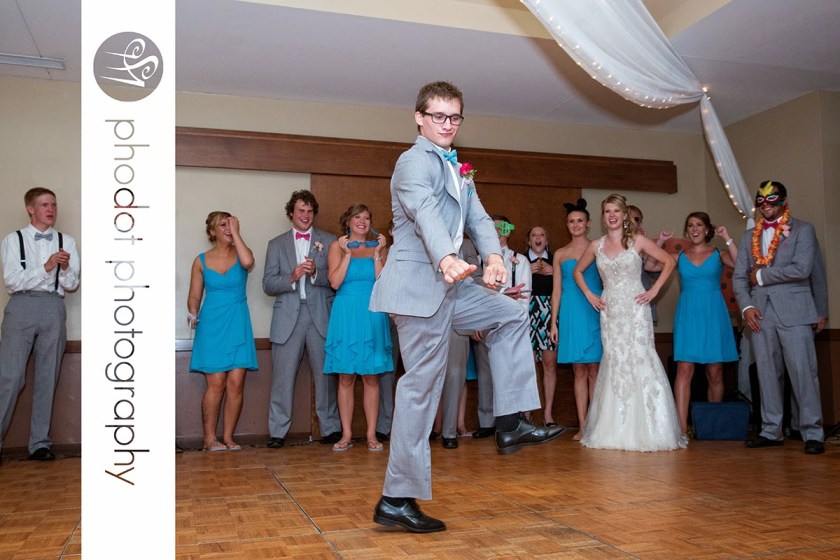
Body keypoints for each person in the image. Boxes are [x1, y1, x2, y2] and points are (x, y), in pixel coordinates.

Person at [369, 81, 565, 533]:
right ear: (419, 118)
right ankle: (396, 498)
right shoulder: (412, 161)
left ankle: (510, 422)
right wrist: (446, 258)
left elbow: (478, 217)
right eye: (438, 116)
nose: (447, 124)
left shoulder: (459, 167)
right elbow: (425, 214)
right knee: (421, 389)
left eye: (454, 117)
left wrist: (494, 256)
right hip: (419, 290)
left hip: (452, 287)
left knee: (510, 313)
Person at [573, 193, 685, 451]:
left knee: (640, 358)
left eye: (616, 211)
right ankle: (615, 430)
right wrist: (589, 293)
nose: (612, 215)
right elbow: (578, 271)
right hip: (610, 311)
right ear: (603, 217)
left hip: (635, 310)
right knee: (615, 361)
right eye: (607, 211)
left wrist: (654, 290)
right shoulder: (596, 246)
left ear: (624, 215)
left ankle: (650, 429)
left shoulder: (638, 241)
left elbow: (668, 261)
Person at [733, 181, 825, 455]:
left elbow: (804, 269)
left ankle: (812, 432)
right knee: (766, 373)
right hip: (760, 314)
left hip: (795, 311)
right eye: (761, 200)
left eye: (771, 199)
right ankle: (771, 430)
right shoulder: (748, 236)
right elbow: (740, 278)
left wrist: (761, 275)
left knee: (803, 372)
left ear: (784, 201)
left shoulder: (803, 230)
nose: (766, 205)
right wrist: (747, 307)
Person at [0, 187, 80, 463]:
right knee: (10, 377)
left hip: (53, 306)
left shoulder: (66, 241)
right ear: (30, 209)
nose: (51, 209)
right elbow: (12, 281)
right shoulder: (13, 240)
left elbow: (72, 284)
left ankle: (39, 444)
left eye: (54, 204)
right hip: (21, 306)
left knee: (48, 376)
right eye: (44, 204)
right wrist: (46, 267)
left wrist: (65, 268)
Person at [648, 212, 739, 439]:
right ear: (687, 230)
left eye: (699, 225)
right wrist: (660, 242)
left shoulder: (719, 254)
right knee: (684, 369)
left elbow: (741, 264)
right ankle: (681, 429)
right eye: (690, 225)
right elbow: (650, 265)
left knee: (714, 372)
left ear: (707, 229)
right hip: (688, 315)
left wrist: (727, 238)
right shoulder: (678, 256)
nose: (694, 229)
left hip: (713, 314)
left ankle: (711, 426)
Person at [263, 190, 340, 448]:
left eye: (309, 211)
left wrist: (317, 272)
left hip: (320, 315)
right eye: (300, 211)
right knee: (282, 378)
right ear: (291, 213)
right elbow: (267, 284)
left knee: (325, 377)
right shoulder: (276, 244)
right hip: (287, 317)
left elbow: (337, 279)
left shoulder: (329, 241)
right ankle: (277, 432)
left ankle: (330, 429)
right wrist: (292, 277)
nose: (305, 216)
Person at [323, 204, 392, 452]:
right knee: (346, 377)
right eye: (357, 217)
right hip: (346, 314)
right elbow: (334, 282)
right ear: (348, 222)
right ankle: (347, 434)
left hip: (372, 313)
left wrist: (378, 253)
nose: (362, 221)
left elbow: (384, 283)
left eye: (367, 217)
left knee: (371, 377)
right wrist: (347, 254)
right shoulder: (336, 246)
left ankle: (372, 435)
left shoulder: (379, 247)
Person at [187, 212, 257, 451]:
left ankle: (228, 438)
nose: (228, 228)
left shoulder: (242, 253)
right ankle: (209, 439)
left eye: (231, 224)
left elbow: (248, 263)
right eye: (223, 225)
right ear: (212, 231)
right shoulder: (200, 261)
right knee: (216, 383)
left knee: (236, 383)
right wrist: (192, 311)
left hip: (237, 322)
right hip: (211, 325)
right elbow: (194, 296)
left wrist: (236, 233)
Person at [472, 216, 532, 436]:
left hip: (510, 324)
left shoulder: (520, 260)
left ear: (509, 231)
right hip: (484, 323)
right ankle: (486, 422)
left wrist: (517, 323)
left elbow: (525, 295)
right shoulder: (476, 260)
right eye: (492, 228)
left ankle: (512, 421)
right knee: (485, 373)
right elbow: (472, 294)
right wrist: (477, 322)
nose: (497, 232)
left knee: (512, 372)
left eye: (501, 228)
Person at [549, 199, 602, 440]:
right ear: (567, 225)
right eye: (571, 221)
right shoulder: (560, 254)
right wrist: (553, 322)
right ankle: (583, 426)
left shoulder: (598, 248)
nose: (576, 224)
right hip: (570, 312)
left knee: (595, 370)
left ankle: (597, 425)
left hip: (594, 308)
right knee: (578, 371)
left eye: (580, 220)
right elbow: (556, 291)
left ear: (588, 223)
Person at [526, 225, 559, 427]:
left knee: (549, 364)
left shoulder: (556, 260)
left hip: (550, 314)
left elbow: (566, 287)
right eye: (534, 235)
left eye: (542, 235)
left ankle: (548, 414)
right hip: (526, 313)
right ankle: (527, 413)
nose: (538, 238)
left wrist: (556, 273)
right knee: (527, 366)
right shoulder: (519, 260)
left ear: (547, 240)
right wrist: (524, 272)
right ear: (528, 241)